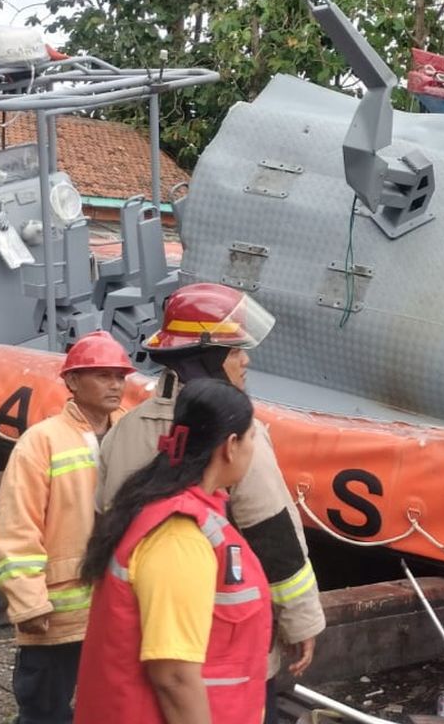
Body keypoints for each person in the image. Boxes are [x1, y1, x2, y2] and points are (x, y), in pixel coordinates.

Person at [97, 283, 325, 720]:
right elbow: (273, 534)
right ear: (205, 359)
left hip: (135, 637)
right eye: (235, 349)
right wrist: (303, 621)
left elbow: (104, 524)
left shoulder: (126, 429)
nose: (246, 359)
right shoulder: (236, 436)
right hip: (221, 651)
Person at [75, 379, 269, 724]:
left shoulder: (166, 507)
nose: (254, 447)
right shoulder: (180, 535)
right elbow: (174, 675)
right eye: (252, 437)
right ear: (231, 445)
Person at [0, 330, 135, 724]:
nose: (115, 384)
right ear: (72, 382)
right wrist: (28, 601)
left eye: (120, 376)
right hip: (60, 612)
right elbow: (18, 526)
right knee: (45, 708)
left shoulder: (135, 434)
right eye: (103, 375)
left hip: (123, 601)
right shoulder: (41, 443)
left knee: (114, 706)